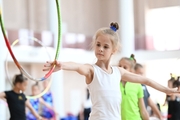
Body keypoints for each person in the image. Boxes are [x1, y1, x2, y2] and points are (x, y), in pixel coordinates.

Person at [43, 22, 180, 120]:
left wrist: (167, 91)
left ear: (113, 50)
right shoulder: (92, 70)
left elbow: (146, 80)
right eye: (98, 45)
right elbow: (77, 66)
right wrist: (62, 65)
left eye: (105, 46)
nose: (100, 49)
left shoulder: (118, 72)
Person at [119, 54, 149, 120]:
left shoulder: (137, 85)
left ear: (131, 70)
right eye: (119, 66)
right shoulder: (114, 84)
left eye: (125, 67)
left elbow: (143, 110)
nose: (121, 69)